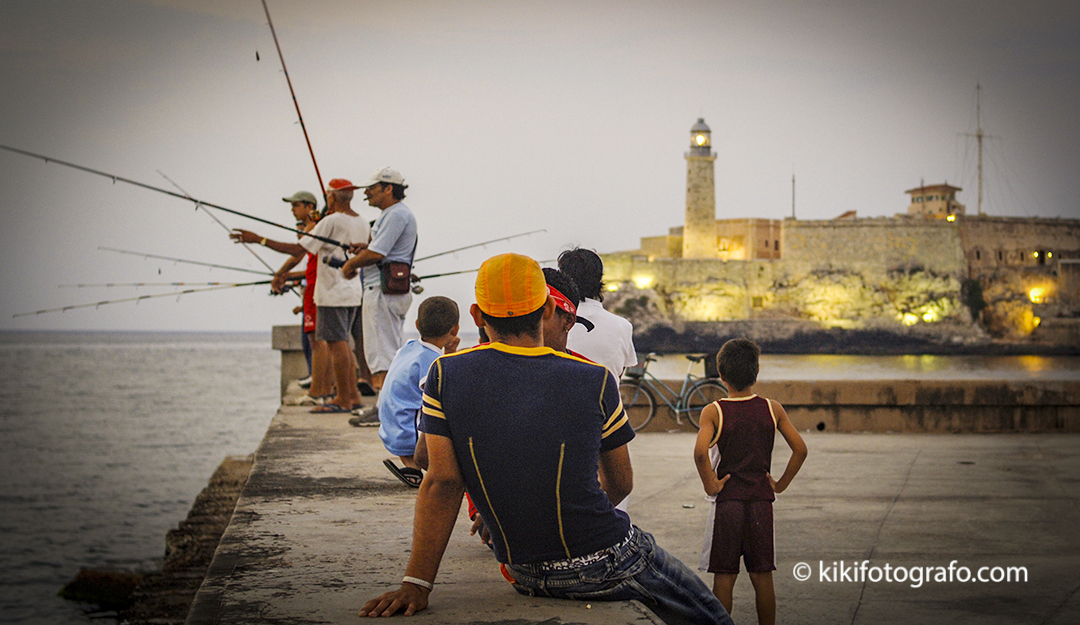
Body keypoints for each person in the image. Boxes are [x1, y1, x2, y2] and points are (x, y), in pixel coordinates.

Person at [358, 253, 733, 625]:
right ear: (549, 311)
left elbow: (441, 481)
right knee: (712, 616)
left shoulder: (445, 374)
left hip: (525, 571)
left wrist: (417, 584)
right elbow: (621, 483)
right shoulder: (594, 379)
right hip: (604, 561)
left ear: (476, 316)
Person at [693, 338, 808, 625]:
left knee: (725, 575)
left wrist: (711, 485)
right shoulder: (772, 408)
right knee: (762, 575)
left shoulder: (714, 411)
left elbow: (700, 453)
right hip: (760, 502)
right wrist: (779, 484)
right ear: (756, 371)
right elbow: (801, 449)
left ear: (721, 375)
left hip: (728, 503)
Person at [230, 190, 332, 404]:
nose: (292, 210)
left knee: (319, 341)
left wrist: (259, 239)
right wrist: (281, 274)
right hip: (313, 287)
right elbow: (299, 254)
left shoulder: (317, 226)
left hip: (318, 288)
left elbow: (297, 249)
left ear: (309, 207)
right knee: (315, 340)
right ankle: (320, 387)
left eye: (295, 206)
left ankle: (319, 391)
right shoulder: (311, 228)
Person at [362, 297, 460, 492]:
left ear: (417, 325)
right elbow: (442, 392)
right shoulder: (431, 360)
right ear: (455, 330)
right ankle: (422, 464)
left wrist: (448, 353)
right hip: (407, 435)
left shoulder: (409, 348)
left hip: (391, 427)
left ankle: (411, 467)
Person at [340, 167, 417, 394]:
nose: (366, 194)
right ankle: (386, 405)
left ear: (388, 188)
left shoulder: (395, 214)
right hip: (387, 290)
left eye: (371, 189)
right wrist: (365, 248)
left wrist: (349, 265)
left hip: (383, 291)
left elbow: (377, 254)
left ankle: (384, 407)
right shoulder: (394, 214)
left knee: (383, 354)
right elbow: (379, 249)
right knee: (385, 350)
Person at [297, 178, 370, 414]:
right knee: (343, 344)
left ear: (331, 197)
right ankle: (353, 396)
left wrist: (259, 240)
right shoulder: (361, 222)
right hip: (352, 292)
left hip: (331, 292)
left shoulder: (330, 220)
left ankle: (342, 399)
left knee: (336, 344)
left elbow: (303, 246)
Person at [558, 247, 637, 379]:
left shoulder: (550, 324)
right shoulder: (624, 326)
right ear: (600, 280)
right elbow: (618, 374)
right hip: (604, 399)